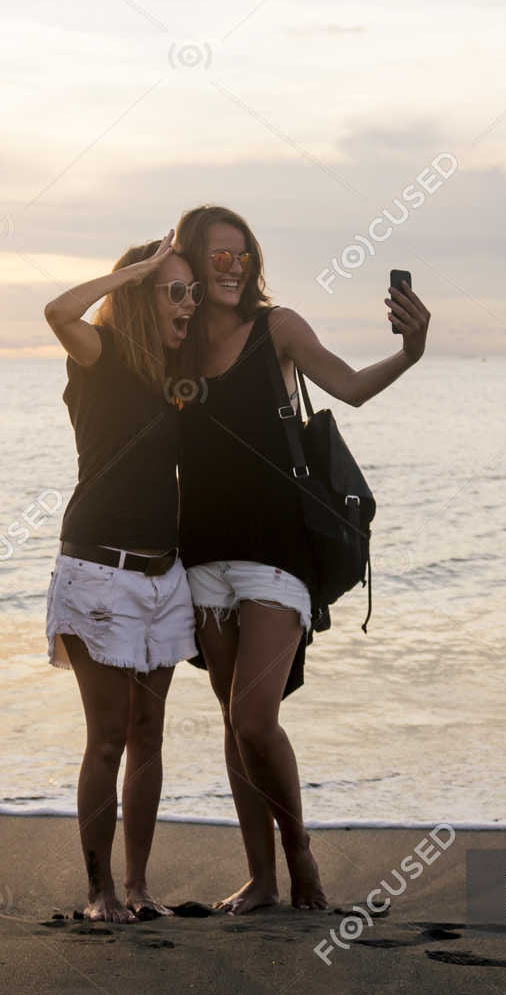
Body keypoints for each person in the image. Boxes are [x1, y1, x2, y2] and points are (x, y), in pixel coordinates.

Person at [172, 204, 430, 913]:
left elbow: (348, 387)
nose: (234, 268)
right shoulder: (177, 343)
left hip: (278, 555)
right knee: (233, 721)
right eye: (217, 257)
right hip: (201, 556)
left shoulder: (277, 328)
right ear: (191, 262)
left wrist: (410, 352)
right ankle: (261, 877)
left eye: (243, 255)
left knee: (255, 719)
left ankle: (299, 855)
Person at [41, 232, 204, 922]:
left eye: (193, 292)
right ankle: (98, 892)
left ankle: (138, 888)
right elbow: (56, 311)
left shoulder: (173, 381)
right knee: (107, 736)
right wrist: (132, 271)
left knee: (148, 736)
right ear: (141, 294)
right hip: (97, 574)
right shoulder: (100, 359)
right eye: (177, 290)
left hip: (162, 579)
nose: (190, 304)